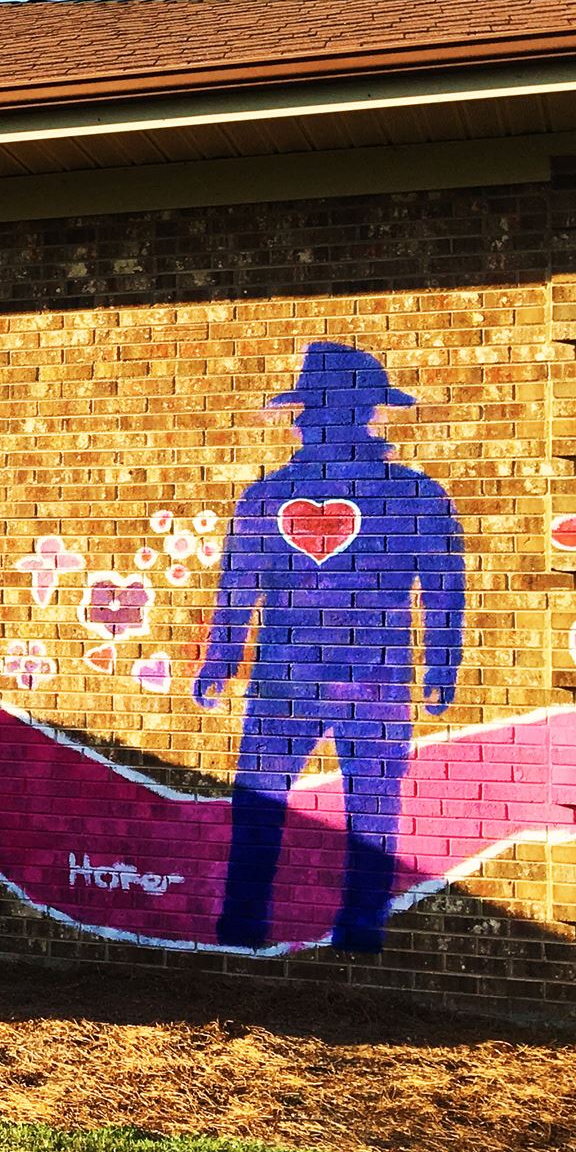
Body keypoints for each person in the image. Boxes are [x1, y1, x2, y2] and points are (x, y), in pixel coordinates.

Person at [192, 341, 464, 952]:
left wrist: (223, 659)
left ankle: (271, 922)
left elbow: (443, 585)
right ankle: (329, 925)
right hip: (351, 676)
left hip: (306, 676)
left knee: (303, 801)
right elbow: (241, 583)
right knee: (343, 803)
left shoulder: (275, 493)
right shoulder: (411, 494)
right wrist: (221, 657)